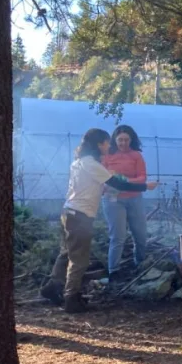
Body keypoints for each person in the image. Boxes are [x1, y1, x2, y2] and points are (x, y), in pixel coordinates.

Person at [41, 129, 156, 312]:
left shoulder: (79, 162)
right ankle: (72, 299)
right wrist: (145, 186)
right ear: (98, 144)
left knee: (67, 253)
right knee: (79, 260)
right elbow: (118, 184)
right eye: (106, 143)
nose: (108, 146)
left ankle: (52, 286)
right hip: (80, 214)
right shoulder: (91, 164)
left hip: (69, 211)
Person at [101, 125, 149, 281]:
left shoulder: (136, 156)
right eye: (120, 140)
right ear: (115, 140)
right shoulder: (107, 156)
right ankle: (113, 270)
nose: (123, 143)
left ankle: (140, 264)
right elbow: (104, 177)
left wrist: (124, 181)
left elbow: (142, 177)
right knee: (118, 236)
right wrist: (119, 181)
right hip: (113, 199)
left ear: (131, 140)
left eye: (126, 140)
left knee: (140, 234)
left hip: (134, 197)